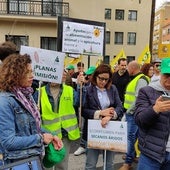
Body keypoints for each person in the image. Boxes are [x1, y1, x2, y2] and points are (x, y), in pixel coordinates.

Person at [0, 54, 63, 166]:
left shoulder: (26, 95)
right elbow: (8, 142)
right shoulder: (5, 101)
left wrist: (52, 135)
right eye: (27, 72)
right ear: (14, 75)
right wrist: (41, 138)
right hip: (17, 163)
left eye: (32, 71)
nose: (32, 76)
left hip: (33, 159)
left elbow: (32, 127)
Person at [34, 70, 83, 170]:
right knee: (46, 164)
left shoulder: (70, 90)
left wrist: (80, 87)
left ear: (63, 77)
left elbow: (80, 103)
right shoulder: (39, 92)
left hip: (65, 132)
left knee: (62, 165)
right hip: (47, 134)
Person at [82, 64, 123, 170]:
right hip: (93, 131)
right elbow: (84, 111)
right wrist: (100, 113)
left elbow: (119, 107)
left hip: (110, 130)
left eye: (106, 79)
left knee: (109, 164)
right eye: (101, 78)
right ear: (95, 76)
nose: (103, 82)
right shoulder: (88, 89)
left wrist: (110, 115)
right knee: (90, 165)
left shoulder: (112, 89)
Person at [134, 58, 170, 170]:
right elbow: (139, 120)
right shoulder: (147, 91)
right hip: (151, 154)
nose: (169, 80)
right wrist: (155, 109)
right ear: (161, 73)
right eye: (167, 75)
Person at [119, 61, 148, 170]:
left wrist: (128, 112)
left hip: (133, 113)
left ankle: (128, 163)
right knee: (133, 137)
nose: (126, 69)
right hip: (132, 112)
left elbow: (138, 99)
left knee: (131, 138)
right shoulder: (137, 78)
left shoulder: (141, 79)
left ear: (132, 68)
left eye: (128, 67)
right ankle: (132, 156)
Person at [74, 66, 96, 156]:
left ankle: (93, 147)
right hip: (87, 111)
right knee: (85, 128)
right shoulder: (87, 84)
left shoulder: (98, 85)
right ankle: (83, 145)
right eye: (88, 75)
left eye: (90, 75)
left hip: (96, 112)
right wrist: (80, 86)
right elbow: (80, 97)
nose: (89, 76)